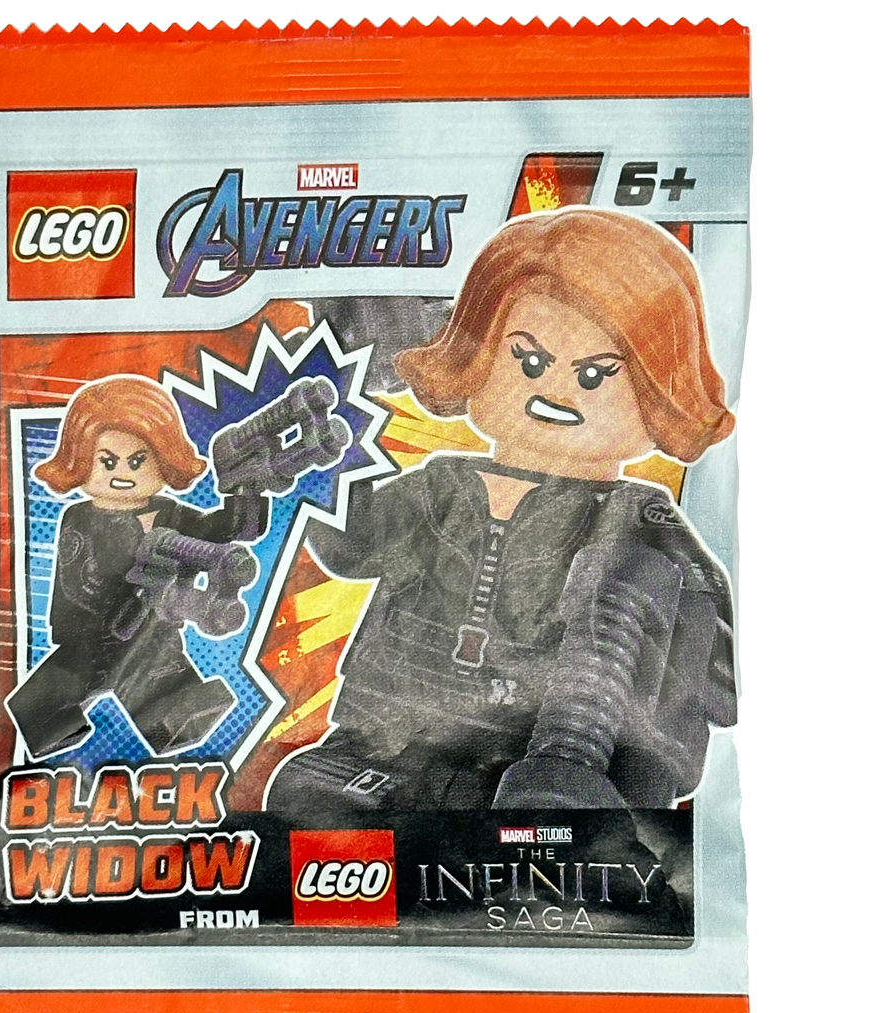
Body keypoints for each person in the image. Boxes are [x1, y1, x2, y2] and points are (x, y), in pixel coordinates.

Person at [265, 208, 737, 812]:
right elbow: (347, 547)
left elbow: (721, 669)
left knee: (633, 573)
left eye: (596, 375)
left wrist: (662, 643)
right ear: (476, 357)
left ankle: (569, 773)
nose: (555, 390)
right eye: (528, 361)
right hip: (389, 743)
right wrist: (308, 467)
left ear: (658, 392)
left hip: (549, 761)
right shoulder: (439, 486)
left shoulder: (637, 520)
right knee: (304, 799)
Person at [6, 376, 267, 759]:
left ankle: (179, 723)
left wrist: (246, 487)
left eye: (138, 461)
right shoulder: (80, 518)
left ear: (164, 459)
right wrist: (134, 591)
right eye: (107, 461)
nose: (122, 473)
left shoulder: (171, 514)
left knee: (176, 708)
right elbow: (79, 582)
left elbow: (225, 531)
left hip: (151, 637)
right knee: (41, 707)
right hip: (89, 641)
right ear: (80, 461)